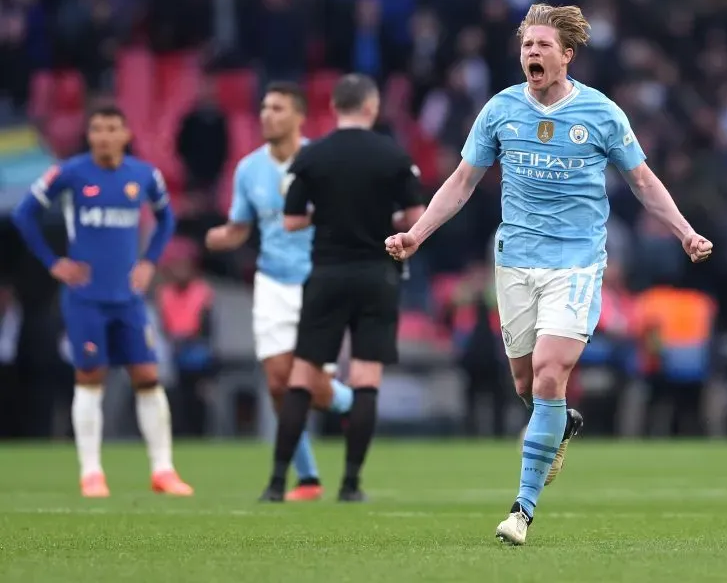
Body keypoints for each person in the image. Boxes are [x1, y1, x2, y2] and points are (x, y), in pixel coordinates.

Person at [385, 3, 713, 545]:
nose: (531, 53)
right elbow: (463, 182)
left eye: (542, 46)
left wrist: (684, 231)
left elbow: (644, 182)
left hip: (578, 262)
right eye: (526, 46)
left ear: (567, 55)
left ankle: (522, 510)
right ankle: (560, 423)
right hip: (515, 260)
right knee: (526, 384)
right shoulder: (499, 110)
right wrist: (417, 234)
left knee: (548, 373)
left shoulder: (602, 114)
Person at [259, 73, 425, 503]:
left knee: (301, 376)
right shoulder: (392, 155)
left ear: (333, 108)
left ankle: (278, 482)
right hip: (377, 274)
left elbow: (292, 220)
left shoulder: (314, 157)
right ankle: (350, 484)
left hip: (326, 274)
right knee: (365, 378)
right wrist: (378, 221)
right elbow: (415, 215)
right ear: (371, 108)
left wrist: (330, 215)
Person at [11, 104, 192, 497]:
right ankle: (91, 472)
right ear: (89, 135)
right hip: (86, 298)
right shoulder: (71, 173)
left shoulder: (144, 175)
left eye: (113, 128)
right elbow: (25, 215)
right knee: (90, 377)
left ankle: (163, 470)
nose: (105, 136)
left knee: (147, 376)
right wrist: (53, 262)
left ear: (126, 134)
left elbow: (167, 219)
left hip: (128, 299)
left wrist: (149, 262)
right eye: (98, 129)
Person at [206, 82, 355, 501]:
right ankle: (308, 479)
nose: (266, 115)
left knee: (315, 391)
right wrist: (222, 237)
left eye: (276, 108)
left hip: (317, 281)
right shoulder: (248, 169)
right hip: (271, 282)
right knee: (277, 385)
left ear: (298, 116)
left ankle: (355, 405)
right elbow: (241, 227)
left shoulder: (321, 162)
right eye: (263, 108)